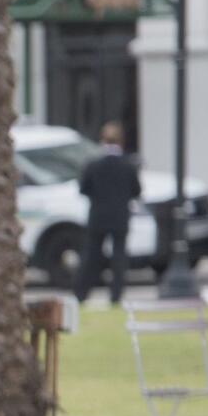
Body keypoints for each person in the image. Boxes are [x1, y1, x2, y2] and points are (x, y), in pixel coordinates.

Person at [74, 121, 141, 305]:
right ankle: (115, 295)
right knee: (119, 257)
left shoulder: (93, 165)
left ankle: (81, 293)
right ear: (121, 141)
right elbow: (136, 190)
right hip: (120, 216)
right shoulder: (128, 165)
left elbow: (83, 189)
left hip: (98, 216)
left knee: (91, 256)